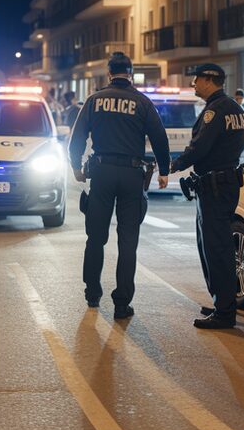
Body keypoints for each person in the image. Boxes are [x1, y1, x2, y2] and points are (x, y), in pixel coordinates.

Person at [67, 52, 170, 319]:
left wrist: (77, 168)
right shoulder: (142, 102)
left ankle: (92, 293)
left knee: (96, 238)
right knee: (128, 242)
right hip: (132, 175)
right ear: (131, 73)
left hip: (101, 173)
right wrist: (164, 171)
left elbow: (76, 138)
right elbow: (159, 138)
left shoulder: (94, 100)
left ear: (109, 72)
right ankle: (122, 304)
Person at [171, 63, 244, 330]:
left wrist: (175, 164)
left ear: (209, 80)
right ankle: (222, 302)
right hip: (225, 183)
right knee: (218, 247)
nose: (193, 84)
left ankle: (225, 312)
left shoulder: (215, 111)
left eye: (196, 79)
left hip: (214, 186)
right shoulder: (236, 108)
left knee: (215, 249)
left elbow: (200, 147)